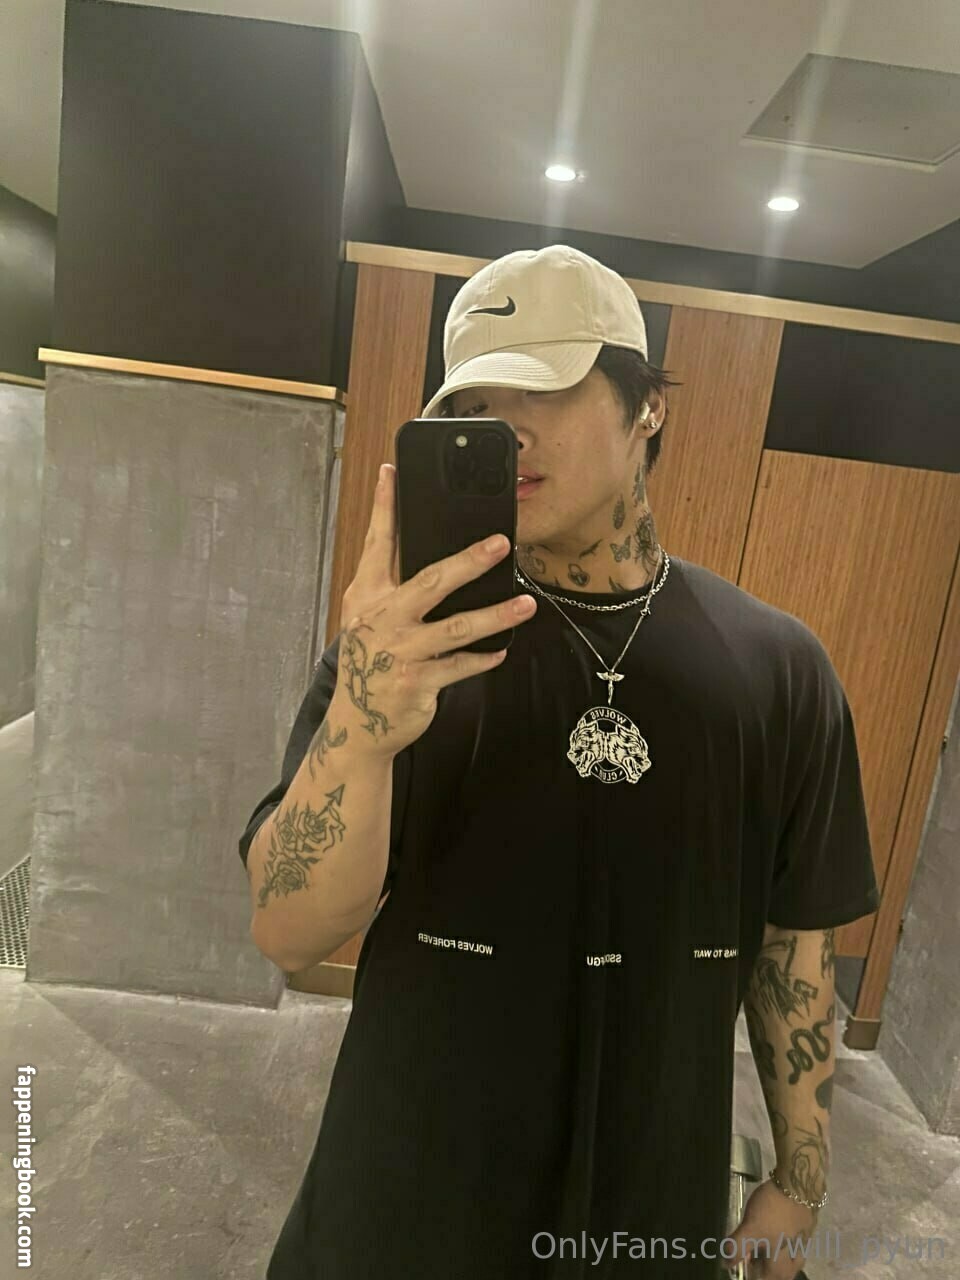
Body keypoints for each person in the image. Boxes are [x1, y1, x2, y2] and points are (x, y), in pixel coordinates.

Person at [238, 244, 879, 1279]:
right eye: (476, 404)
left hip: (645, 1214)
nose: (508, 428)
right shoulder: (404, 652)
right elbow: (288, 928)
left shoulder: (777, 667)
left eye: (543, 387)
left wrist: (799, 1177)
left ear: (648, 407)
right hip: (406, 1214)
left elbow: (792, 939)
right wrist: (362, 718)